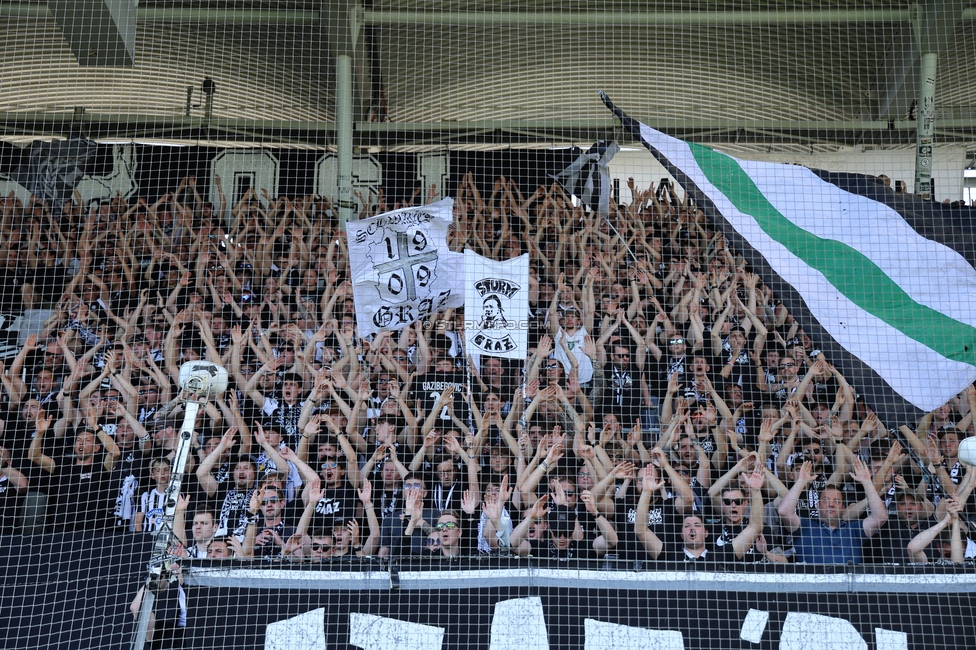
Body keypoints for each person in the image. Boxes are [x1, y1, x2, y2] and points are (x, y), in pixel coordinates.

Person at [778, 459, 888, 564]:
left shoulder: (854, 529)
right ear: (817, 506)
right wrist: (801, 481)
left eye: (837, 501)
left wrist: (867, 482)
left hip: (848, 578)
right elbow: (784, 511)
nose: (831, 504)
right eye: (825, 500)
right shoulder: (805, 526)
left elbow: (880, 517)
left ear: (843, 508)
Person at [135, 457, 171, 533]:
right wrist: (141, 537)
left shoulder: (177, 495)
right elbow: (137, 522)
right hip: (148, 537)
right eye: (158, 470)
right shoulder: (146, 496)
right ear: (152, 475)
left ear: (171, 473)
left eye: (166, 470)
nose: (162, 473)